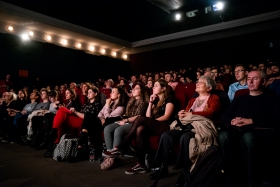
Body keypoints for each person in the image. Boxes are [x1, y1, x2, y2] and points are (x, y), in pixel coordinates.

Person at [149, 76, 221, 186]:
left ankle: (184, 171)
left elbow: (211, 112)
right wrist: (182, 114)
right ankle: (162, 167)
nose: (197, 83)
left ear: (209, 87)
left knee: (185, 137)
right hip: (187, 125)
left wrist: (192, 114)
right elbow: (186, 113)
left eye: (201, 82)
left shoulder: (214, 98)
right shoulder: (192, 100)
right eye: (197, 81)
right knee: (166, 135)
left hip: (201, 127)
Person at [219, 70, 280, 187]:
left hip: (259, 131)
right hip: (238, 130)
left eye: (255, 79)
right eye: (249, 79)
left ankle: (253, 180)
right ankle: (231, 177)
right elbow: (225, 116)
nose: (250, 81)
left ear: (263, 82)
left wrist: (251, 121)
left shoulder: (271, 97)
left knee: (248, 138)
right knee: (223, 136)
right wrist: (232, 121)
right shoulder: (239, 98)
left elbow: (275, 118)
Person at [102, 79, 175, 175]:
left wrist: (151, 122)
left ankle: (120, 147)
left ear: (164, 88)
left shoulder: (170, 98)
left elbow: (167, 116)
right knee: (140, 129)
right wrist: (150, 103)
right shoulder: (155, 100)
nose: (153, 87)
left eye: (156, 85)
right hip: (154, 126)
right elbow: (148, 117)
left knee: (140, 118)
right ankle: (141, 165)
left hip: (165, 126)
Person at [101, 83, 149, 169]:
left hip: (135, 123)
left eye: (136, 88)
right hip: (126, 120)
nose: (133, 90)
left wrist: (126, 120)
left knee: (118, 130)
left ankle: (113, 157)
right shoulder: (131, 101)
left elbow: (139, 117)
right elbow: (127, 113)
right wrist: (124, 119)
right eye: (133, 88)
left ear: (142, 91)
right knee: (107, 128)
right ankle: (109, 155)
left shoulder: (145, 102)